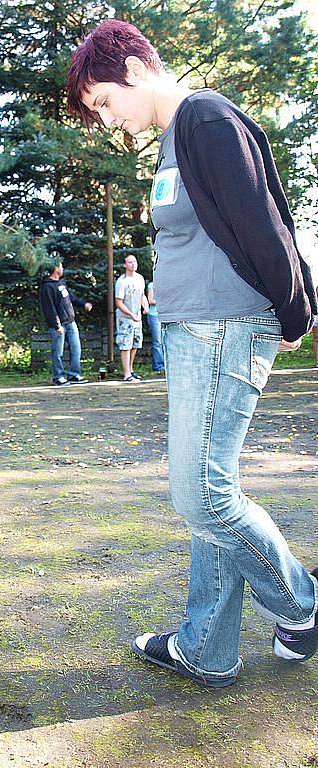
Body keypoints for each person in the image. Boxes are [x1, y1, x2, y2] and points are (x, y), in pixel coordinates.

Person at [67, 19, 318, 687]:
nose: (111, 120)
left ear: (134, 70)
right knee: (212, 488)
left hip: (223, 328)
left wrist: (295, 308)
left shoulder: (205, 118)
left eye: (103, 102)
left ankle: (302, 604)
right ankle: (205, 647)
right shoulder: (176, 138)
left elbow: (264, 220)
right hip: (195, 330)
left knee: (200, 496)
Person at [39, 261, 93, 385]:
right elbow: (49, 308)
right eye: (61, 266)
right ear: (55, 268)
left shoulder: (61, 283)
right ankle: (59, 376)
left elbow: (71, 298)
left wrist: (83, 304)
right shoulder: (47, 286)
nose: (62, 268)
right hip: (59, 325)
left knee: (76, 349)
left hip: (70, 322)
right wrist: (56, 325)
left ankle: (74, 375)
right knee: (58, 352)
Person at [115, 254, 148, 382]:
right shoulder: (122, 281)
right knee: (125, 344)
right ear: (125, 265)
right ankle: (126, 373)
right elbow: (119, 302)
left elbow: (142, 295)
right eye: (130, 262)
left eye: (134, 261)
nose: (133, 264)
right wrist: (130, 314)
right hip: (125, 318)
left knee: (135, 344)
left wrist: (145, 307)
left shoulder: (140, 279)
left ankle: (131, 369)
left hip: (137, 317)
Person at [146, 280, 164, 373]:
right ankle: (158, 365)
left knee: (166, 341)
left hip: (165, 314)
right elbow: (150, 300)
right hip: (154, 314)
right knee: (157, 341)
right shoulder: (152, 285)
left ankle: (165, 364)